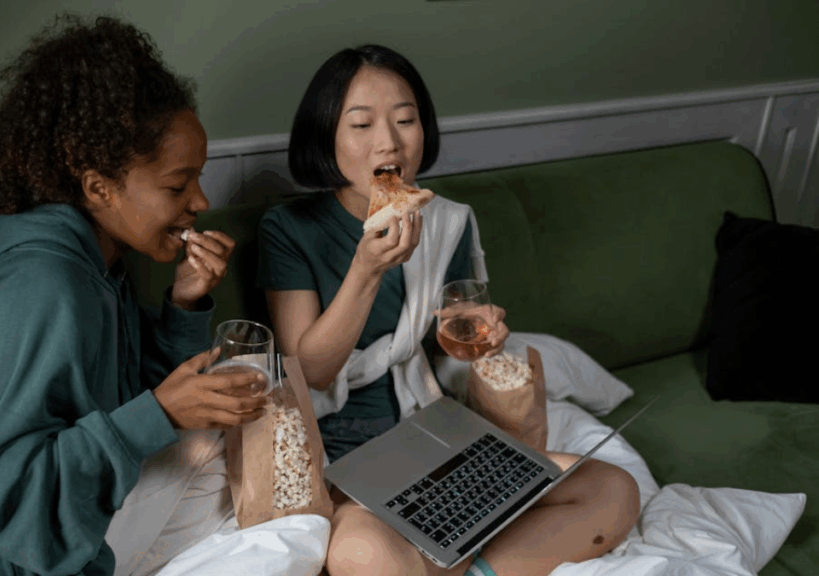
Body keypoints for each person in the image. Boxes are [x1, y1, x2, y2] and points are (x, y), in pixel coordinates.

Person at [0, 15, 268, 576]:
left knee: (253, 475)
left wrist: (183, 305)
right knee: (282, 523)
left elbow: (112, 401)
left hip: (9, 516)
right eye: (178, 185)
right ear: (97, 187)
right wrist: (159, 414)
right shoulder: (46, 286)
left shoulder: (99, 254)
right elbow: (4, 493)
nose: (201, 201)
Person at [258, 45, 641, 576]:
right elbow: (312, 371)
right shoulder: (289, 229)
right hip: (344, 457)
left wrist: (485, 338)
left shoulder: (446, 222)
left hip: (432, 433)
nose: (389, 141)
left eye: (406, 120)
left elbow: (455, 335)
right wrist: (366, 269)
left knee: (612, 490)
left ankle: (471, 568)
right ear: (327, 137)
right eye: (362, 124)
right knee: (361, 555)